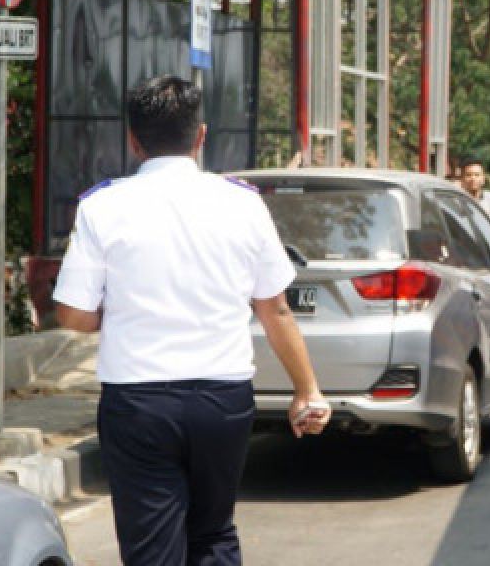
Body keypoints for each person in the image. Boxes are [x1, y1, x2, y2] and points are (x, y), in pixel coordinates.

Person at [52, 76, 331, 566]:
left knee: (152, 548)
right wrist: (306, 390)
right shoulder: (243, 203)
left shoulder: (101, 207)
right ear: (201, 136)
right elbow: (275, 309)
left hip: (138, 399)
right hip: (222, 399)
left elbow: (73, 315)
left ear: (133, 140)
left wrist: (119, 310)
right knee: (214, 534)